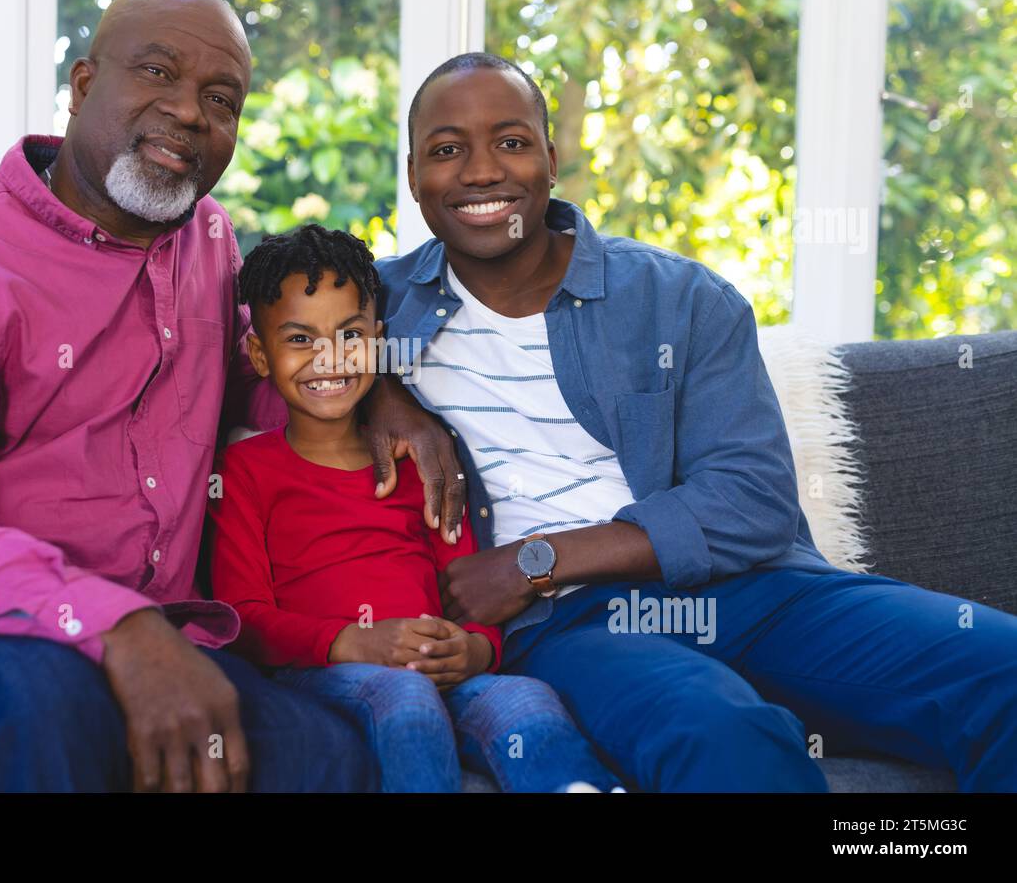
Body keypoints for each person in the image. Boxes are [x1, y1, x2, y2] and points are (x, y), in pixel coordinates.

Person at [0, 0, 467, 793]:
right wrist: (118, 624)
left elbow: (262, 377)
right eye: (157, 72)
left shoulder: (208, 241)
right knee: (40, 707)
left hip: (150, 637)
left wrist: (378, 395)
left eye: (220, 99)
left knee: (327, 752)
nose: (191, 113)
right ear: (82, 84)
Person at [373, 51, 1017, 792]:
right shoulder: (379, 309)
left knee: (1002, 668)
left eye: (512, 142)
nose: (482, 171)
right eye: (447, 150)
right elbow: (255, 344)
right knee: (720, 733)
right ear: (415, 173)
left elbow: (753, 502)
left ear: (551, 160)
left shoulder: (681, 298)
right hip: (570, 628)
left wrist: (534, 559)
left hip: (753, 590)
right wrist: (384, 392)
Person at [208, 224, 622, 792]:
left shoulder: (418, 463)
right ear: (259, 352)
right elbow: (243, 616)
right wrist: (351, 641)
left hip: (441, 671)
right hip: (327, 677)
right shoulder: (246, 470)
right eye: (299, 340)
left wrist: (475, 648)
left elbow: (466, 583)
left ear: (379, 341)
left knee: (527, 701)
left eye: (349, 335)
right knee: (404, 697)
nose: (329, 359)